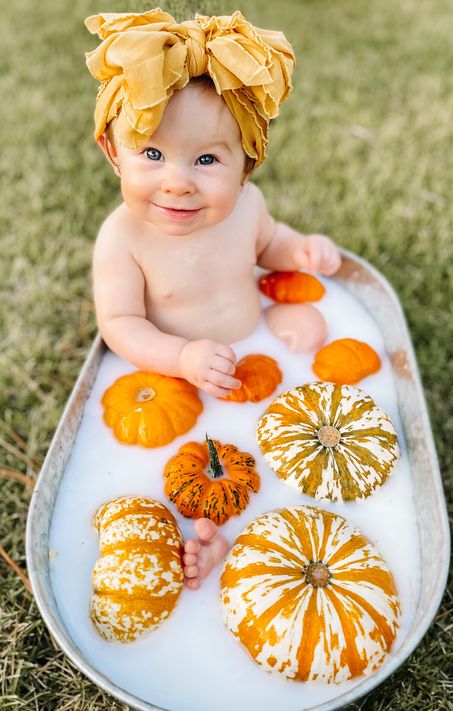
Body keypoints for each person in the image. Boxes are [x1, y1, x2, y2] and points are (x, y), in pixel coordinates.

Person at [85, 8, 341, 589]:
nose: (177, 180)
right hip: (173, 384)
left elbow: (269, 243)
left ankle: (259, 533)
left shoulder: (245, 209)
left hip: (257, 363)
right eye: (151, 154)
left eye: (206, 160)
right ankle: (202, 541)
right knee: (184, 470)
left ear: (246, 166)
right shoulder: (122, 239)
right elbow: (120, 324)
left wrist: (300, 253)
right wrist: (180, 358)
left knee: (268, 462)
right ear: (112, 150)